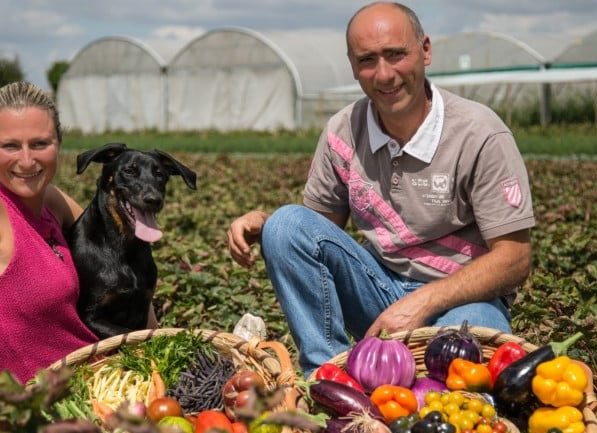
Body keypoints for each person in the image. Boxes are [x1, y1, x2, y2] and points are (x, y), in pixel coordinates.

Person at [227, 2, 535, 376]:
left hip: (463, 299)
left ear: (425, 50)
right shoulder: (343, 131)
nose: (384, 75)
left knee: (463, 358)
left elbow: (515, 258)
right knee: (287, 225)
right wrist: (267, 221)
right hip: (377, 289)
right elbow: (316, 228)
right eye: (368, 60)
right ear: (354, 66)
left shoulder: (479, 134)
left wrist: (423, 302)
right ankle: (328, 378)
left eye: (396, 55)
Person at [0, 81, 157, 383]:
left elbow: (126, 261)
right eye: (10, 145)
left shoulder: (53, 201)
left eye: (40, 144)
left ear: (59, 142)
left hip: (102, 384)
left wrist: (157, 349)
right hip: (33, 407)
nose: (27, 160)